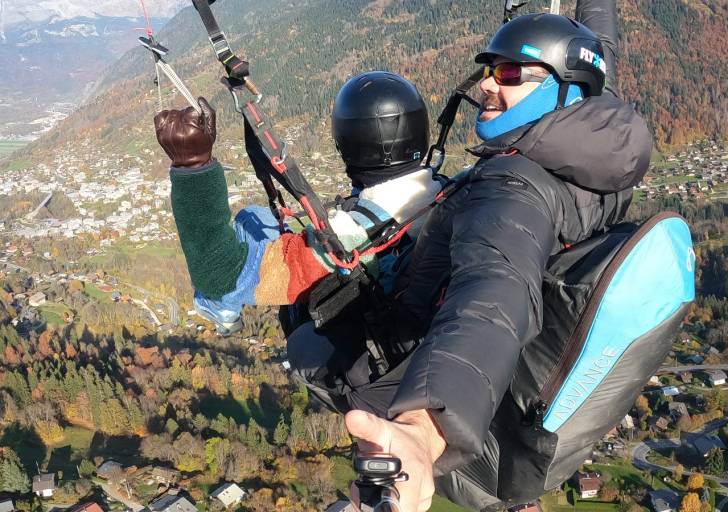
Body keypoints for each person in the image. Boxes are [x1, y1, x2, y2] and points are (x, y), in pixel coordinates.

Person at [339, 5, 654, 512]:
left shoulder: (513, 187)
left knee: (317, 342)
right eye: (488, 69)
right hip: (509, 394)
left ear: (564, 89)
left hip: (416, 369)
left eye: (509, 73)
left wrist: (425, 432)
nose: (487, 85)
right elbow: (598, 52)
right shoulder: (598, 143)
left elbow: (492, 300)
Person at [154, 71, 441, 334]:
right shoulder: (444, 192)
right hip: (404, 286)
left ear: (345, 145)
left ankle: (221, 309)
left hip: (345, 314)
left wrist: (192, 165)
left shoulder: (350, 236)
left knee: (241, 241)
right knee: (255, 216)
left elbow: (221, 273)